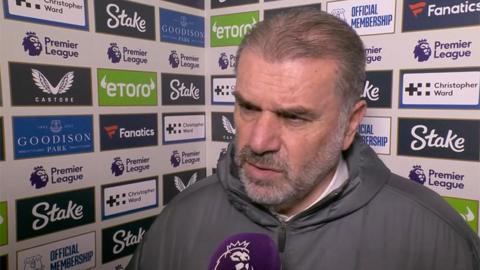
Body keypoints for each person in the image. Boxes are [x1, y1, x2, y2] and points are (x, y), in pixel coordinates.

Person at [126, 9, 480, 270]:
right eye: (248, 107)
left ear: (350, 124)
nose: (258, 141)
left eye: (294, 116)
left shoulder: (433, 236)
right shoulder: (181, 217)